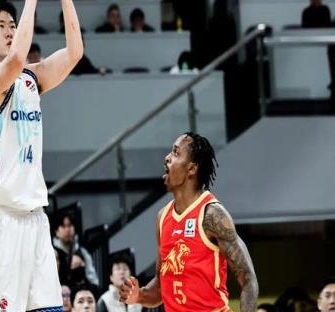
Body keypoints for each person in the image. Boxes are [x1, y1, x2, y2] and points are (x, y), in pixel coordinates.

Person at [0, 0, 83, 312]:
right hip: (3, 223)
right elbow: (16, 58)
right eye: (1, 26)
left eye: (12, 24)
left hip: (36, 220)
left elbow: (75, 52)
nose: (9, 30)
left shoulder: (31, 79)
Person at [119, 132, 258, 311]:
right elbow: (161, 287)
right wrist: (138, 295)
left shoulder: (212, 214)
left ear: (191, 168)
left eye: (176, 153)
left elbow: (248, 279)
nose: (167, 158)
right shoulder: (162, 217)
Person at [53, 213, 99, 287]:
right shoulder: (53, 252)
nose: (67, 230)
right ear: (56, 231)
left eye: (70, 225)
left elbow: (92, 278)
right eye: (63, 226)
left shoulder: (82, 251)